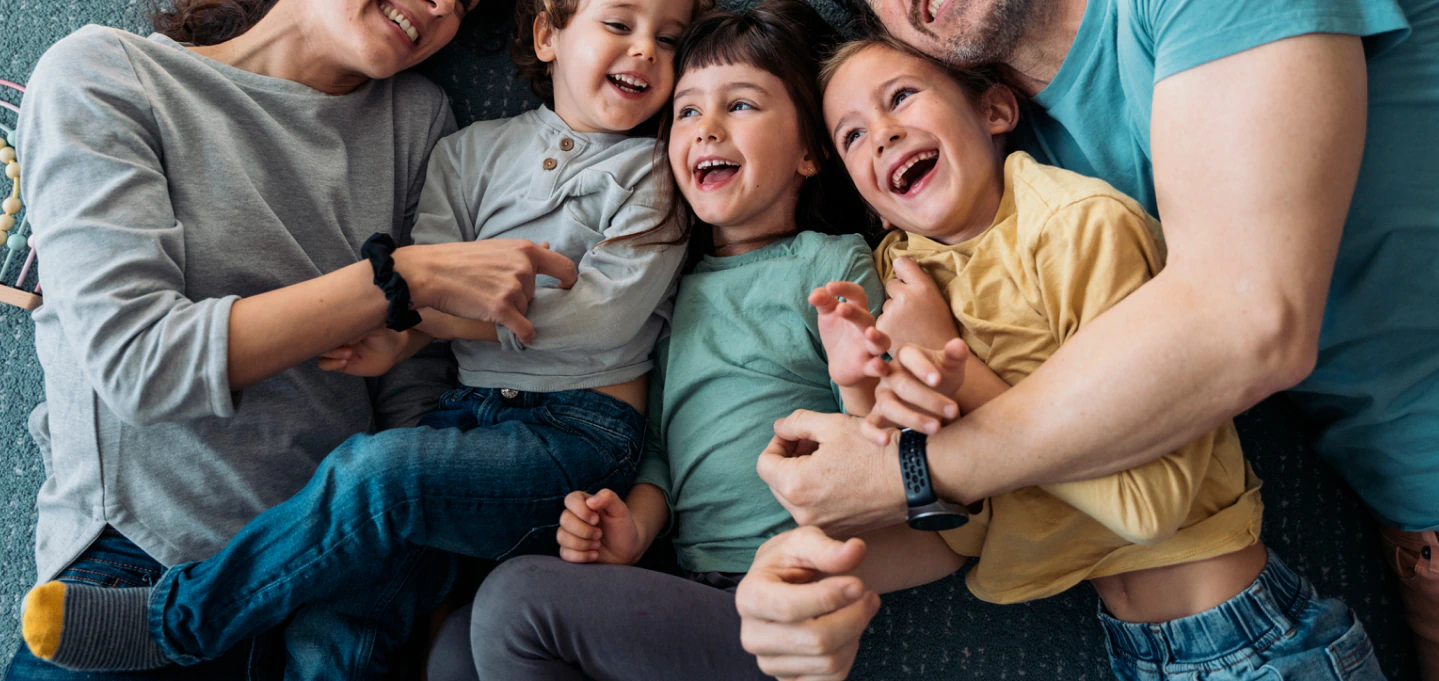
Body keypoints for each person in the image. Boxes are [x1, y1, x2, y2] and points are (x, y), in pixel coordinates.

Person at [742, 0, 1439, 676]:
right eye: (852, 134)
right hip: (1399, 531)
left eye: (897, 99)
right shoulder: (1000, 192)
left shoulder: (1074, 205)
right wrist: (805, 569)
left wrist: (912, 468)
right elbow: (972, 523)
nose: (883, 132)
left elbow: (1248, 321)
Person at [17, 0, 707, 676]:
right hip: (138, 565)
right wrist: (398, 281)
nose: (442, 9)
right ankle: (185, 620)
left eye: (465, 3)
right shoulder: (106, 72)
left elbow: (417, 390)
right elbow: (141, 366)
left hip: (341, 568)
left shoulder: (415, 117)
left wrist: (424, 574)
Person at [419, 3, 926, 679]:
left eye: (740, 105)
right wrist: (634, 527)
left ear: (810, 151)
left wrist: (857, 376)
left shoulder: (828, 263)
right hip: (690, 585)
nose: (706, 128)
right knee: (454, 647)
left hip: (781, 602)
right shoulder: (672, 284)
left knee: (513, 601)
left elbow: (878, 459)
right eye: (685, 112)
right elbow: (661, 440)